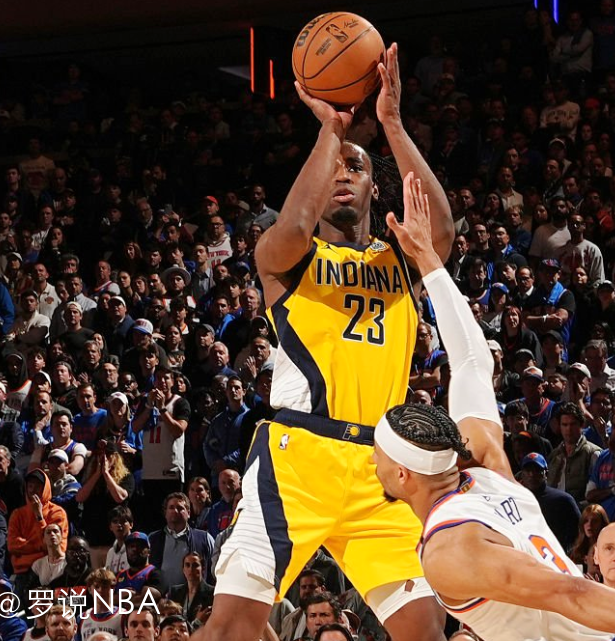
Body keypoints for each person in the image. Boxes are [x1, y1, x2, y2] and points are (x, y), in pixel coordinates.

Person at [370, 186, 615, 641]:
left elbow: (569, 593)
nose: (371, 458)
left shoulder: (450, 550)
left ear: (403, 476)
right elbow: (472, 358)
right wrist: (427, 260)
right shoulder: (487, 470)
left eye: (378, 454)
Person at [195, 42, 467, 641]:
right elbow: (294, 224)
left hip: (384, 467)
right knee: (231, 629)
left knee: (425, 631)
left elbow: (442, 231)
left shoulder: (400, 259)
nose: (344, 174)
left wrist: (391, 123)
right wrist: (332, 130)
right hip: (299, 457)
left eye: (357, 168)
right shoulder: (286, 258)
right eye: (335, 168)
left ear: (375, 188)